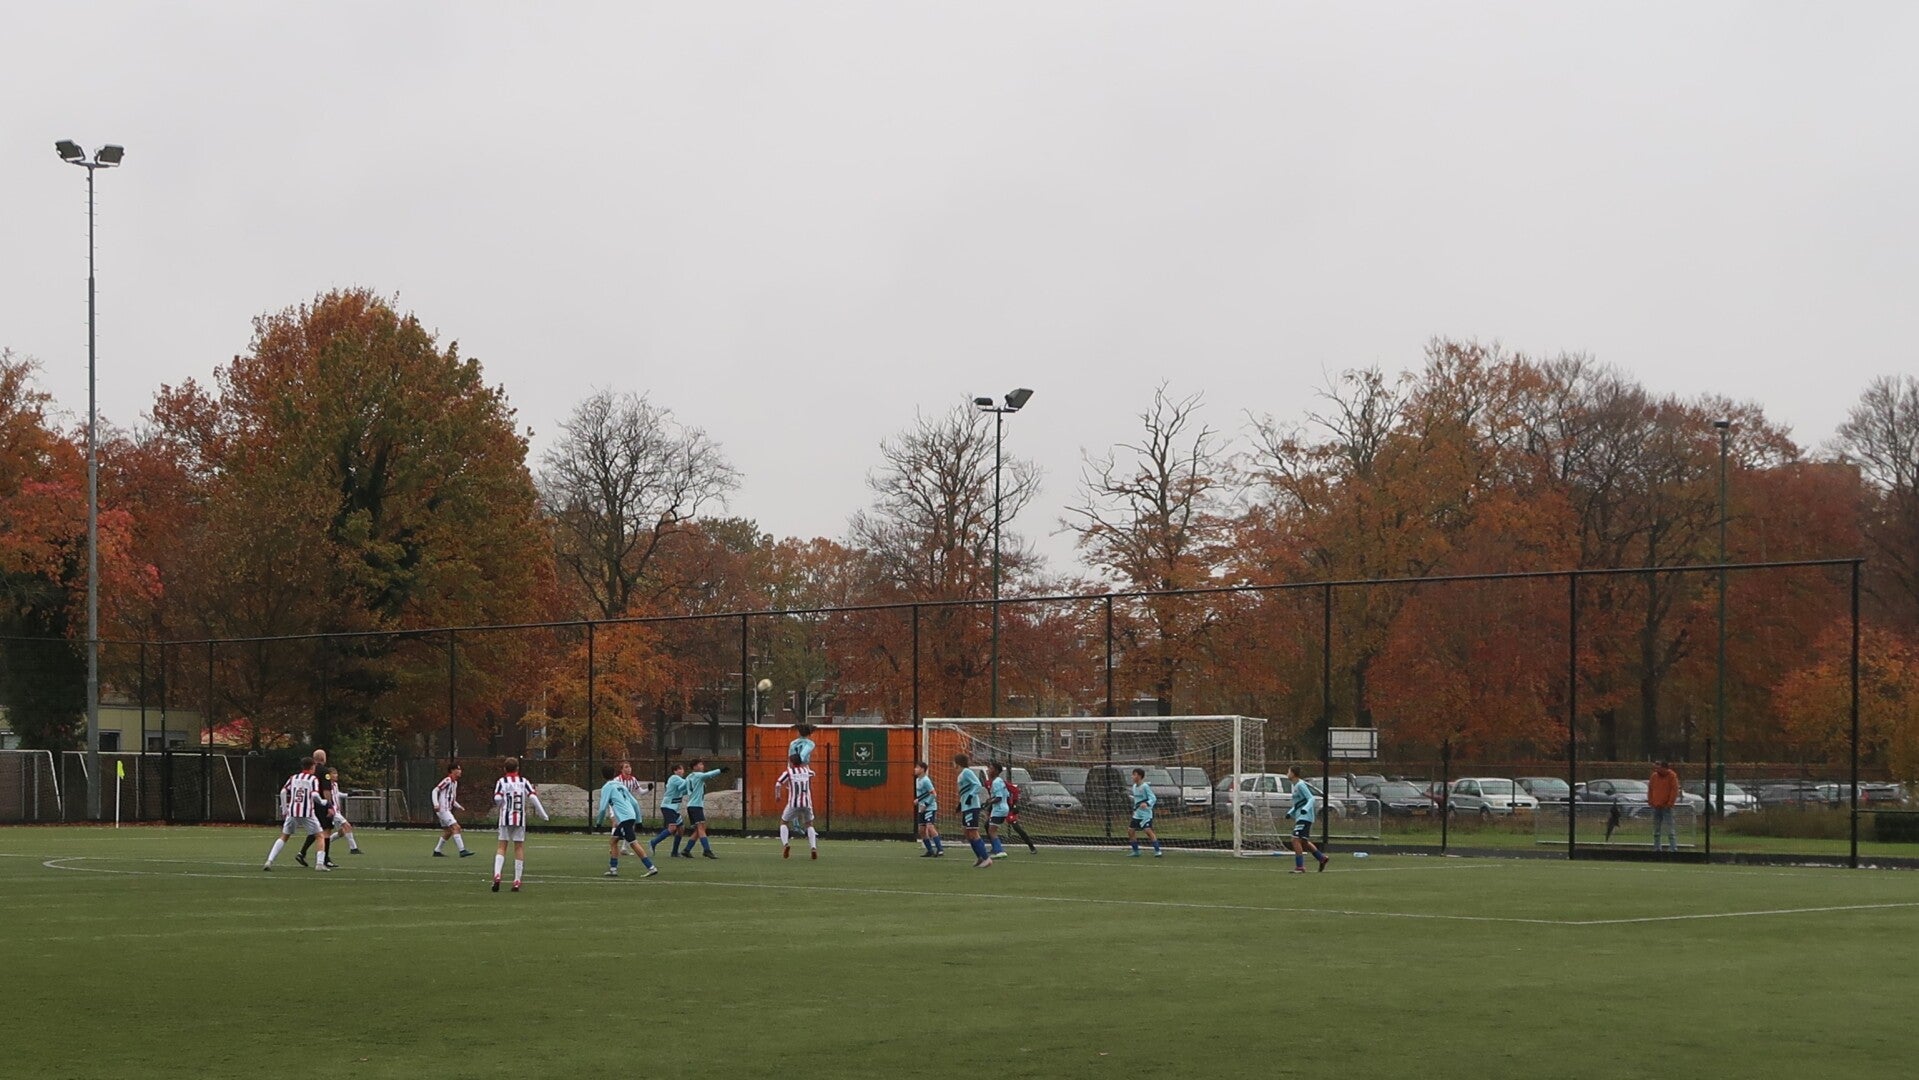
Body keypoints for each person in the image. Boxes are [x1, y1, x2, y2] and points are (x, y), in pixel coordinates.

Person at [492, 757, 550, 892]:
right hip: (519, 818)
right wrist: (543, 814)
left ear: (505, 769)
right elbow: (533, 797)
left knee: (502, 846)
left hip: (505, 818)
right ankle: (517, 880)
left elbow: (497, 797)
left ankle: (497, 875)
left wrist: (501, 805)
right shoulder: (524, 781)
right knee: (518, 847)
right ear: (517, 768)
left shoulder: (502, 782)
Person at [264, 756, 328, 872]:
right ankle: (319, 864)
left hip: (293, 811)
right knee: (319, 836)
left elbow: (283, 791)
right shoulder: (313, 779)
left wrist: (284, 808)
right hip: (307, 812)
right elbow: (314, 795)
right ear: (312, 766)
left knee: (284, 836)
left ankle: (269, 861)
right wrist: (322, 802)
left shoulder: (293, 778)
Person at [598, 764, 659, 878]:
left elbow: (602, 808)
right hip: (630, 816)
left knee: (633, 843)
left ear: (603, 776)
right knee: (613, 841)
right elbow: (635, 803)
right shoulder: (621, 785)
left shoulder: (607, 787)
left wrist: (598, 823)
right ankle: (613, 869)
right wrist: (639, 820)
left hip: (625, 818)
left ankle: (651, 867)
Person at [774, 752, 820, 860]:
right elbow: (813, 774)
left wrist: (778, 796)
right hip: (807, 803)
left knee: (784, 822)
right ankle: (813, 848)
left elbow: (778, 784)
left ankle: (786, 844)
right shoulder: (806, 770)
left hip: (794, 803)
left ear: (791, 762)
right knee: (809, 824)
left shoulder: (789, 772)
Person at [1285, 765, 1330, 873]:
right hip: (1301, 816)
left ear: (1293, 774)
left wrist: (1305, 809)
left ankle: (1300, 867)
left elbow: (1311, 798)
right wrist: (1290, 813)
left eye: (1288, 772)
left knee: (1295, 840)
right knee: (1304, 842)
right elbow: (1298, 804)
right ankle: (1322, 858)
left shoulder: (1301, 785)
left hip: (1305, 817)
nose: (1287, 774)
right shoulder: (1296, 786)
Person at [680, 758, 728, 859]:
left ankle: (687, 850)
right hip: (696, 806)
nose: (702, 766)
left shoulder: (689, 777)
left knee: (700, 829)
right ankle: (707, 850)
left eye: (702, 764)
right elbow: (709, 774)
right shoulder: (698, 775)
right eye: (700, 764)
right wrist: (720, 770)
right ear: (694, 767)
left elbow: (681, 788)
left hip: (691, 805)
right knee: (701, 828)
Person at [298, 748, 337, 868]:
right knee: (326, 830)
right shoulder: (325, 771)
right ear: (323, 758)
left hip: (309, 803)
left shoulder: (309, 772)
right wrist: (329, 805)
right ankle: (325, 858)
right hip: (321, 803)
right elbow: (326, 790)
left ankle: (302, 853)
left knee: (316, 829)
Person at [954, 753, 991, 869]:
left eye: (954, 762)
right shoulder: (961, 774)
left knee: (973, 832)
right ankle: (980, 857)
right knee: (966, 832)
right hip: (966, 807)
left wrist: (971, 796)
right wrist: (961, 804)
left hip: (972, 806)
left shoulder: (967, 772)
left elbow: (977, 784)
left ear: (957, 763)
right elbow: (964, 791)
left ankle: (986, 858)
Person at [431, 762, 473, 858]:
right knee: (456, 827)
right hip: (443, 809)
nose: (460, 771)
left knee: (448, 831)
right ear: (452, 770)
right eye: (458, 769)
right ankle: (462, 850)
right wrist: (436, 804)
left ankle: (437, 851)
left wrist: (459, 806)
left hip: (446, 810)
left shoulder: (455, 783)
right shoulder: (447, 780)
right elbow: (435, 790)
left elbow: (452, 799)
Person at [649, 763, 689, 858]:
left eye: (682, 769)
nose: (681, 771)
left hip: (674, 809)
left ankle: (674, 852)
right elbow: (686, 783)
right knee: (672, 828)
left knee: (681, 829)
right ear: (674, 771)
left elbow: (684, 790)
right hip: (668, 807)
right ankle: (653, 842)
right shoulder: (674, 778)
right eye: (678, 769)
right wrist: (694, 779)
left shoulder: (680, 782)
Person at [322, 767, 362, 857]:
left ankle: (324, 843)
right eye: (334, 773)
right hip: (333, 811)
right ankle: (354, 849)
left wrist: (349, 794)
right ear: (329, 775)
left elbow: (337, 794)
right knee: (347, 826)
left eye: (336, 773)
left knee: (341, 833)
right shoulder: (327, 786)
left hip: (337, 811)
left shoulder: (335, 785)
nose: (336, 775)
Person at [1126, 767, 1162, 858]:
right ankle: (1136, 851)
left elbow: (1153, 798)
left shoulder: (1145, 786)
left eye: (1134, 775)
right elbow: (1137, 799)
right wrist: (1135, 807)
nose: (1132, 776)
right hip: (1137, 813)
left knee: (1148, 830)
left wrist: (1147, 803)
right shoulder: (1134, 787)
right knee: (1130, 831)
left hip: (1146, 814)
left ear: (1139, 776)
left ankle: (1158, 850)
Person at [913, 761, 945, 857]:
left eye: (917, 767)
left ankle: (940, 849)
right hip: (922, 808)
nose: (915, 769)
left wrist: (925, 804)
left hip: (929, 807)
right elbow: (925, 793)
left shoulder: (926, 780)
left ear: (922, 769)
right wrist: (918, 800)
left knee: (930, 826)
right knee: (921, 830)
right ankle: (930, 850)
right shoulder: (917, 780)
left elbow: (933, 793)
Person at [1648, 760, 1681, 853]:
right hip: (1656, 806)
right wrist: (1651, 801)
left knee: (1670, 829)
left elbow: (1674, 790)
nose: (1657, 770)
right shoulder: (1654, 776)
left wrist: (1670, 803)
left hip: (1667, 807)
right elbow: (1650, 789)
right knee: (1656, 830)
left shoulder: (1672, 776)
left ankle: (1673, 848)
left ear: (1665, 768)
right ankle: (1657, 848)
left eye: (1659, 768)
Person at [1004, 772, 1038, 854]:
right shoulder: (988, 783)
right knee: (988, 826)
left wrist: (1015, 804)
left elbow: (1015, 790)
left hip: (1008, 809)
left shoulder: (1002, 783)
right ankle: (995, 847)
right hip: (996, 808)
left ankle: (1031, 847)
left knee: (1017, 828)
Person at [985, 763, 1011, 859]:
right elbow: (1007, 795)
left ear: (996, 771)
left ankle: (1000, 851)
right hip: (1003, 808)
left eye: (991, 768)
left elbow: (999, 798)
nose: (988, 770)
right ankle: (996, 850)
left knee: (992, 831)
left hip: (999, 809)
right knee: (991, 828)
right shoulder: (1000, 781)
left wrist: (989, 802)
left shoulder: (996, 782)